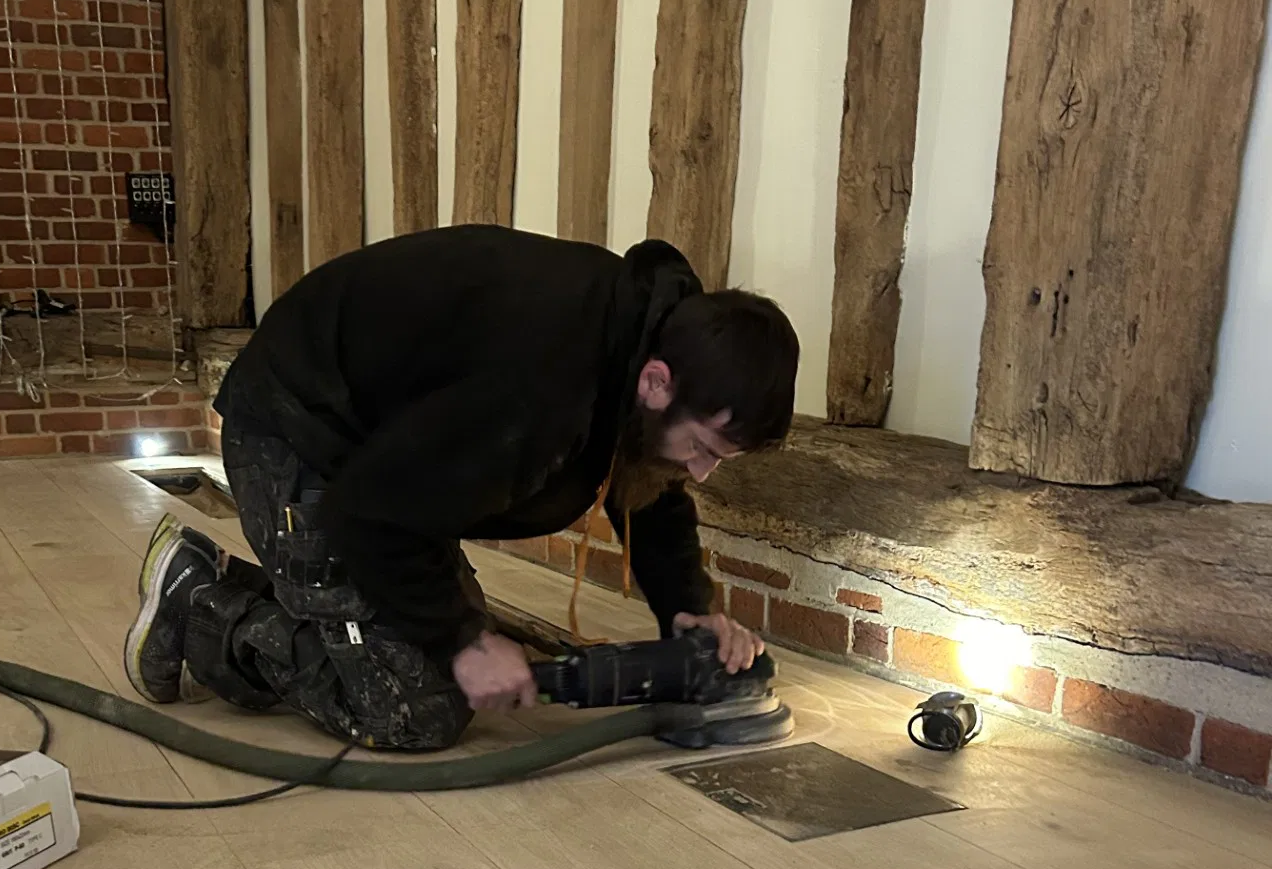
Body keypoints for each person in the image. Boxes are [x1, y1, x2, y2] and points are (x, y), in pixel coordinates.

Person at [123, 225, 799, 751]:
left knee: (444, 647)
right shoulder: (542, 384)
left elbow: (656, 482)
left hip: (399, 463)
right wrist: (464, 641)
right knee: (417, 710)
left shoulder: (652, 335)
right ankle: (207, 608)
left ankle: (295, 598)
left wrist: (687, 609)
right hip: (304, 434)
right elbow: (371, 509)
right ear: (657, 383)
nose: (703, 471)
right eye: (704, 450)